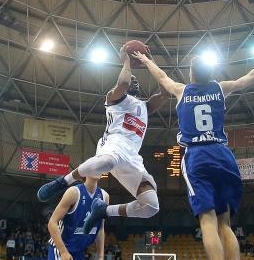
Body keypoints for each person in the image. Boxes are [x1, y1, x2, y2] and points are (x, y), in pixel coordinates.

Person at [132, 44, 254, 260]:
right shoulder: (220, 88)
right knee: (226, 223)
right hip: (223, 155)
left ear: (191, 74)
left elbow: (161, 77)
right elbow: (250, 76)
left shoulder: (181, 90)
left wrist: (145, 59)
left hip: (198, 157)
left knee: (207, 220)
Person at [36, 47, 168, 233]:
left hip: (132, 156)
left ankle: (103, 210)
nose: (133, 81)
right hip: (113, 144)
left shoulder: (145, 107)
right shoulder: (114, 98)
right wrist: (126, 61)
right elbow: (122, 82)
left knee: (151, 206)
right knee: (106, 161)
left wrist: (149, 61)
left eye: (134, 80)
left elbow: (165, 93)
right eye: (131, 79)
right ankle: (62, 182)